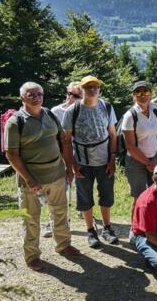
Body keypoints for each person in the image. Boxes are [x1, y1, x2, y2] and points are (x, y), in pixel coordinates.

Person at [5, 82, 80, 271]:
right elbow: (11, 154)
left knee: (60, 211)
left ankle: (63, 244)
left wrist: (68, 168)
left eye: (39, 94)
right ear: (22, 98)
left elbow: (63, 141)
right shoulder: (15, 122)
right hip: (32, 180)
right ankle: (32, 255)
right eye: (31, 94)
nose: (36, 97)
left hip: (56, 174)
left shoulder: (50, 114)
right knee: (31, 218)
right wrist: (29, 179)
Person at [62, 75, 119, 248]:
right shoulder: (72, 111)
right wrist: (72, 165)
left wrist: (112, 159)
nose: (92, 90)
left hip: (104, 160)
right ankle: (90, 231)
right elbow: (66, 140)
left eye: (95, 87)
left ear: (99, 90)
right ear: (82, 90)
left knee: (106, 196)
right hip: (82, 162)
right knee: (85, 198)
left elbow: (113, 135)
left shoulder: (107, 107)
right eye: (88, 87)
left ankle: (107, 228)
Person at [121, 81, 157, 240]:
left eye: (145, 92)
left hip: (155, 160)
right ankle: (135, 230)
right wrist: (148, 163)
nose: (142, 95)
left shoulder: (155, 111)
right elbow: (130, 146)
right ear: (133, 96)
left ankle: (154, 227)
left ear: (150, 93)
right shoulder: (130, 116)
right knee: (139, 197)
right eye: (138, 92)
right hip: (136, 162)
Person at [42, 80, 82, 238]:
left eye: (78, 96)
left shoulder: (83, 111)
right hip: (60, 152)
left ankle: (83, 209)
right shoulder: (55, 111)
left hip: (79, 152)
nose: (72, 98)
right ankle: (53, 221)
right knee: (59, 188)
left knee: (81, 183)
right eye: (71, 94)